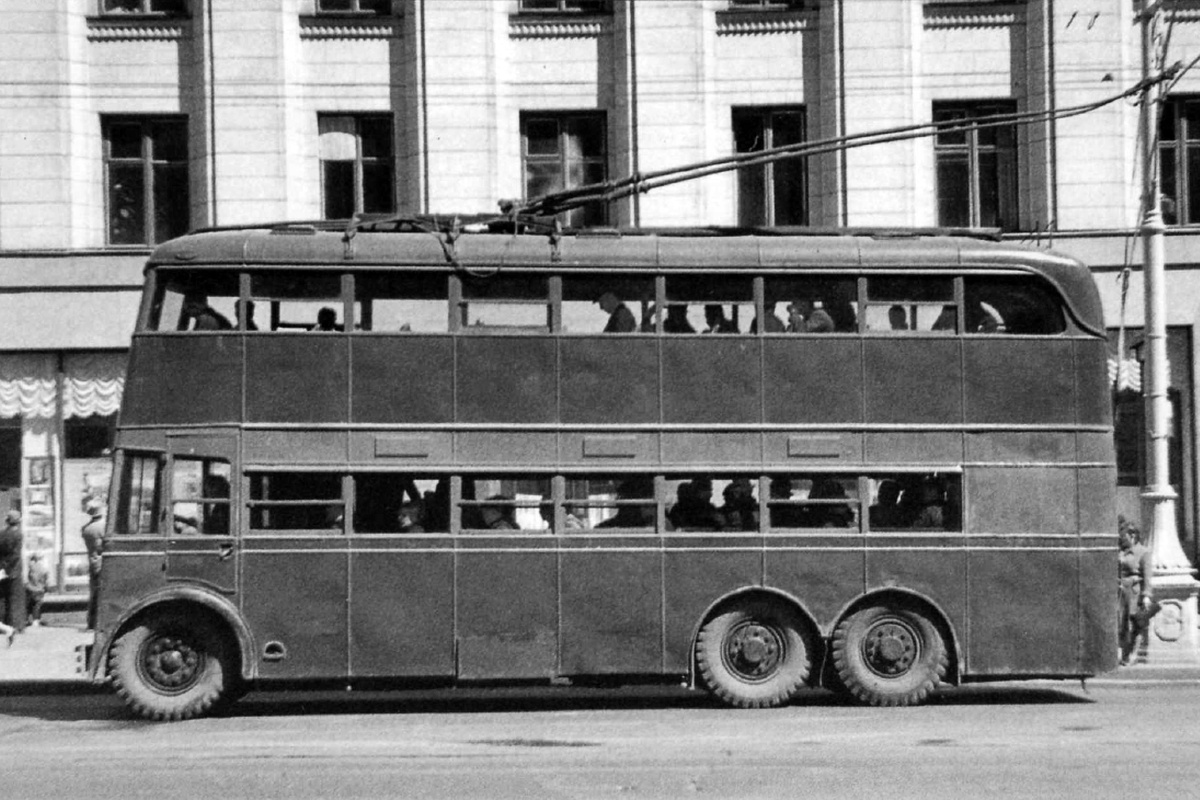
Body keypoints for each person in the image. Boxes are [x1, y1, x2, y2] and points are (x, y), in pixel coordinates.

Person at [1118, 517, 1154, 666]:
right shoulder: (1121, 551)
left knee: (1135, 623)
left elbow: (1147, 576)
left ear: (1132, 535)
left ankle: (1132, 654)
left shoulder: (1143, 552)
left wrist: (1146, 595)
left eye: (1124, 534)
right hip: (1120, 591)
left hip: (1134, 591)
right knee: (1121, 623)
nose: (1121, 538)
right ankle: (1122, 654)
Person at [0, 510, 26, 636]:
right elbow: (15, 555)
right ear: (18, 521)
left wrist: (2, 568)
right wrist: (9, 569)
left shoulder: (2, 533)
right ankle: (16, 625)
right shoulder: (18, 535)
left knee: (3, 598)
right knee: (16, 598)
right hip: (14, 570)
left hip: (2, 570)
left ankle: (3, 624)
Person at [81, 497, 105, 630]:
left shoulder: (86, 528)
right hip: (102, 562)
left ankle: (91, 621)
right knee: (102, 593)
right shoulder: (102, 527)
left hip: (92, 561)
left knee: (93, 592)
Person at [24, 552, 49, 628]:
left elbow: (26, 578)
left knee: (28, 605)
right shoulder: (44, 568)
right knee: (37, 606)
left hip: (30, 589)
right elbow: (46, 580)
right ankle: (35, 621)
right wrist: (46, 588)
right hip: (40, 589)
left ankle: (26, 620)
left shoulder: (31, 567)